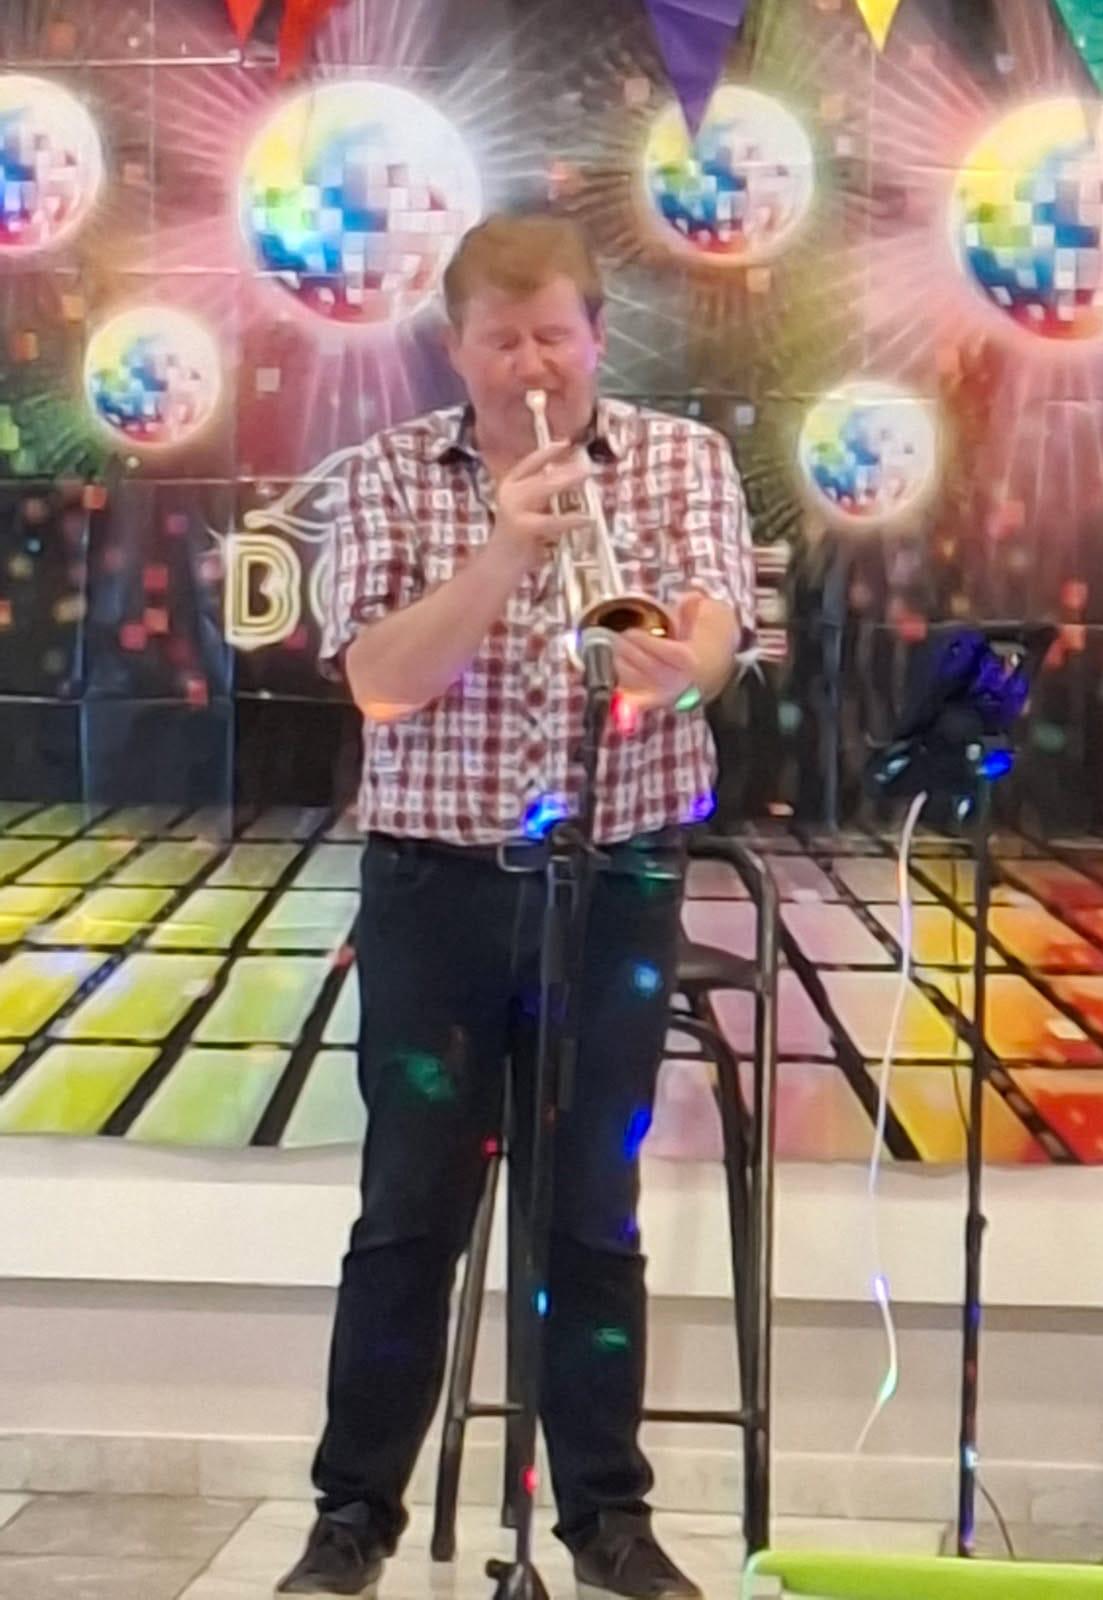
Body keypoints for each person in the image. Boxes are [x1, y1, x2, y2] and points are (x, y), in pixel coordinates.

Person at [278, 213, 755, 1600]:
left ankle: (606, 1516)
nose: (532, 365)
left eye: (556, 337)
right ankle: (352, 1515)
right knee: (407, 1210)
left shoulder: (680, 459)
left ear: (598, 335)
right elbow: (379, 683)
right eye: (503, 341)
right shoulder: (386, 473)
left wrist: (677, 663)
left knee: (591, 1210)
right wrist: (500, 553)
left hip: (616, 883)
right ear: (457, 346)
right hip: (436, 886)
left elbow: (712, 636)